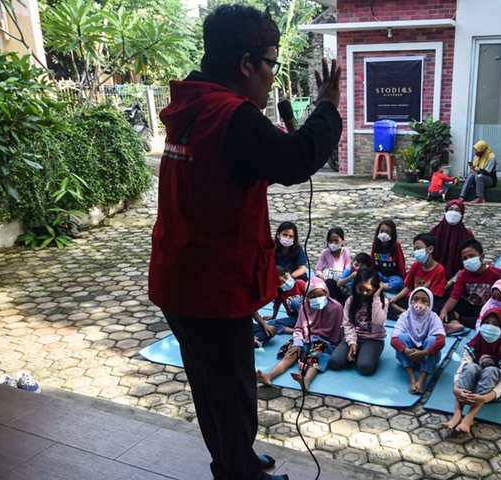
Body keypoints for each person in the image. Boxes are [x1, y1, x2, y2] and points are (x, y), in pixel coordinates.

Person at [148, 5, 342, 479]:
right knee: (233, 396)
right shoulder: (230, 115)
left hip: (179, 280)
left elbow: (238, 167)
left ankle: (233, 460)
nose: (274, 78)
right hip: (211, 288)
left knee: (211, 387)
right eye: (273, 64)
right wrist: (329, 105)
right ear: (246, 64)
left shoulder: (192, 104)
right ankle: (240, 474)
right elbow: (296, 159)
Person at [257, 277, 344, 391]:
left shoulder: (336, 308)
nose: (317, 299)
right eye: (312, 297)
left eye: (320, 295)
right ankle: (269, 376)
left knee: (316, 358)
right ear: (307, 297)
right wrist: (298, 342)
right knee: (291, 353)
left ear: (326, 293)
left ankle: (306, 380)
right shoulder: (305, 306)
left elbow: (339, 332)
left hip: (325, 341)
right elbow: (299, 327)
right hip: (305, 338)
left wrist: (330, 344)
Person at [442, 308, 501, 435]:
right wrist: (456, 389)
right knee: (470, 367)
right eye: (486, 322)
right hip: (471, 390)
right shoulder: (474, 344)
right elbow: (462, 368)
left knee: (492, 371)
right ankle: (457, 414)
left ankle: (469, 417)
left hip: (493, 393)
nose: (490, 327)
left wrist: (483, 398)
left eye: (496, 324)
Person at [439, 239, 501, 334]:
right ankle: (455, 321)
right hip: (469, 306)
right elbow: (455, 296)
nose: (469, 260)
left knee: (492, 319)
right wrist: (444, 310)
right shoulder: (463, 274)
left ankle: (458, 320)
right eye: (465, 258)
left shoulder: (496, 274)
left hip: (487, 308)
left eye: (472, 256)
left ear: (482, 257)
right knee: (444, 298)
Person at [329, 269, 387, 375]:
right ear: (355, 287)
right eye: (360, 289)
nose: (364, 293)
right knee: (335, 362)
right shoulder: (350, 301)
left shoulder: (382, 302)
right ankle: (358, 352)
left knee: (365, 367)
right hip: (354, 336)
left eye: (368, 290)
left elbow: (378, 322)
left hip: (373, 340)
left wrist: (376, 299)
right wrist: (352, 343)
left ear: (376, 289)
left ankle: (365, 354)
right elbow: (348, 324)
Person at [391, 287, 447, 394]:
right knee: (402, 338)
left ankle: (422, 379)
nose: (419, 303)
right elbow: (393, 340)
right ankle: (412, 378)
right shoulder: (405, 316)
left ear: (430, 303)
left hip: (427, 357)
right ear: (410, 300)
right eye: (415, 299)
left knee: (432, 340)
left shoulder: (433, 317)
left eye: (424, 300)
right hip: (409, 357)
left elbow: (441, 341)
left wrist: (424, 353)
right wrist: (408, 352)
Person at [390, 233, 447, 315]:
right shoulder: (415, 265)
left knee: (433, 311)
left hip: (426, 303)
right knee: (386, 305)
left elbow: (433, 296)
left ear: (430, 249)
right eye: (415, 249)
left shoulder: (439, 270)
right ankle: (406, 313)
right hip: (412, 299)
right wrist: (395, 299)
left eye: (418, 248)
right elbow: (408, 287)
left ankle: (404, 313)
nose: (416, 252)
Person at [253, 266, 306, 345]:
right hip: (295, 318)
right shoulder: (280, 292)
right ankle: (298, 331)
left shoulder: (300, 284)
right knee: (271, 325)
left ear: (288, 273)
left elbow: (310, 298)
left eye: (286, 277)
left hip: (308, 316)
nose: (286, 281)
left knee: (295, 302)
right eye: (281, 282)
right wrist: (273, 316)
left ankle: (306, 326)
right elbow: (276, 305)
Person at [430, 200, 474, 281]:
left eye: (457, 210)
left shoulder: (467, 236)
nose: (453, 213)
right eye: (450, 209)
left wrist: (452, 281)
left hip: (458, 278)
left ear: (462, 214)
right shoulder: (434, 232)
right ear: (445, 212)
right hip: (433, 275)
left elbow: (468, 263)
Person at [370, 219, 406, 293]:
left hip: (393, 275)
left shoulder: (396, 245)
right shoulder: (375, 244)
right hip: (379, 274)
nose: (384, 234)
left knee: (398, 282)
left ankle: (380, 287)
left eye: (387, 232)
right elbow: (372, 260)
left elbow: (401, 263)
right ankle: (383, 286)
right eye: (382, 231)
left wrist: (404, 279)